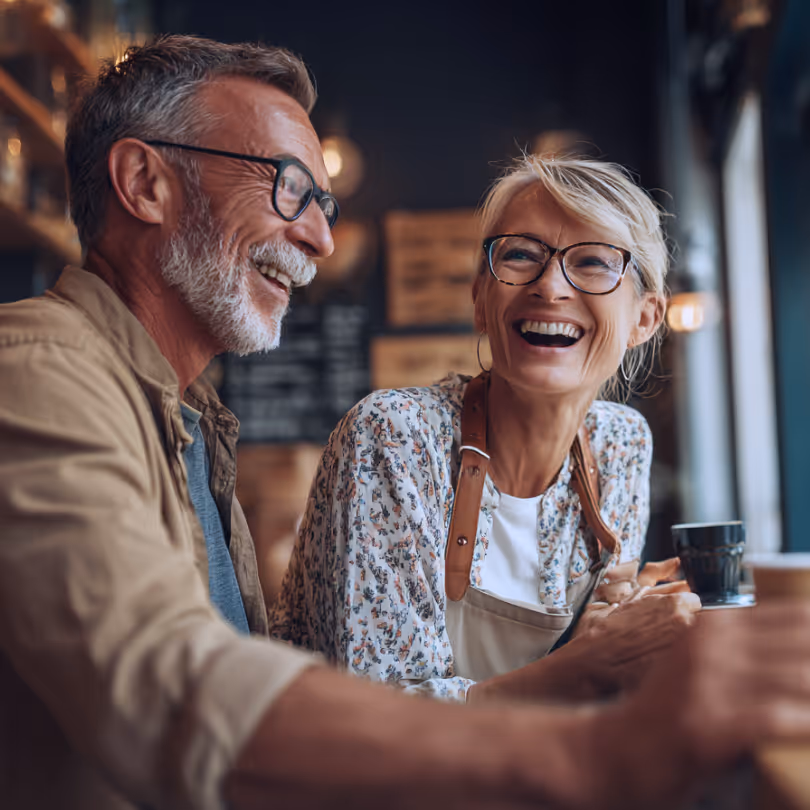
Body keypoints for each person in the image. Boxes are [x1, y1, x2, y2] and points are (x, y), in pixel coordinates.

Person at [2, 33, 810, 810]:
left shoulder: (190, 419)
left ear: (645, 318)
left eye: (321, 201)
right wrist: (598, 750)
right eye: (288, 185)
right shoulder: (36, 374)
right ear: (145, 183)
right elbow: (167, 682)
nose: (320, 237)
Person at [270, 155, 700, 702]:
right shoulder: (395, 437)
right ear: (480, 299)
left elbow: (591, 678)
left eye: (593, 262)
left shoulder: (622, 444)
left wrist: (623, 622)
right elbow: (381, 722)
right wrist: (588, 663)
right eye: (520, 255)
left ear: (644, 318)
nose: (550, 287)